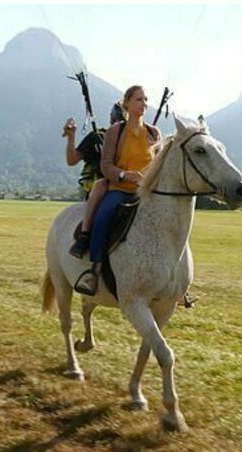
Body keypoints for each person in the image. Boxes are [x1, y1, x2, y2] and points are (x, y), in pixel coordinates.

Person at [74, 86, 161, 295]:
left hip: (146, 193)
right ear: (127, 103)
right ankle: (93, 271)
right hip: (120, 190)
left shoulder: (154, 133)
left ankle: (174, 279)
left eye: (146, 100)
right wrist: (124, 175)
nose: (144, 104)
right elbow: (105, 165)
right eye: (139, 99)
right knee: (103, 218)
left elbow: (159, 165)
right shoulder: (116, 131)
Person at [64, 102, 127, 258]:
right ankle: (85, 237)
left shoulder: (137, 138)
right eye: (116, 117)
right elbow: (72, 160)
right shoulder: (96, 137)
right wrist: (71, 137)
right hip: (102, 187)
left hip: (128, 185)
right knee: (100, 186)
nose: (118, 120)